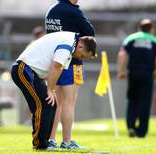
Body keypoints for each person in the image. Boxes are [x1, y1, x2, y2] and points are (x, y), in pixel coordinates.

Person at [11, 31, 96, 150]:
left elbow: (57, 70)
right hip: (24, 70)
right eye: (82, 55)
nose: (79, 58)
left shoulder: (71, 44)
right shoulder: (68, 44)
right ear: (81, 46)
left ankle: (46, 142)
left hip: (33, 73)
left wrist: (52, 90)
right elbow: (56, 66)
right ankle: (40, 144)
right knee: (41, 104)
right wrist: (50, 90)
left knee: (51, 103)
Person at [45, 0, 95, 149]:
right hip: (72, 61)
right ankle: (66, 141)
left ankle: (51, 140)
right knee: (69, 102)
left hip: (54, 61)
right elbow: (90, 33)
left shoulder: (52, 9)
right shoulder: (73, 11)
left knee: (55, 103)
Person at [117, 19, 156, 138]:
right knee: (145, 102)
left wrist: (121, 71)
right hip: (147, 75)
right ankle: (142, 131)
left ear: (139, 28)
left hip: (133, 74)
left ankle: (131, 127)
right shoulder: (155, 41)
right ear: (151, 29)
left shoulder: (131, 38)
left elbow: (122, 54)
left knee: (132, 100)